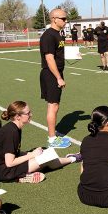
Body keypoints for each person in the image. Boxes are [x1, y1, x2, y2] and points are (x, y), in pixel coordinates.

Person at [0, 101, 82, 184]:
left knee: (45, 155)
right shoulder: (12, 132)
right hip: (5, 172)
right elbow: (9, 162)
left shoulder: (14, 128)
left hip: (4, 169)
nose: (31, 114)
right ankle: (20, 177)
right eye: (28, 113)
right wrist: (32, 155)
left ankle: (72, 158)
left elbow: (13, 152)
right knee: (46, 158)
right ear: (18, 117)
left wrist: (29, 153)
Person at [39, 8, 71, 148]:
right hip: (51, 74)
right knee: (53, 106)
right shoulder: (48, 35)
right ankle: (52, 139)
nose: (66, 21)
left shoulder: (59, 34)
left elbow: (59, 53)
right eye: (63, 19)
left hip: (56, 73)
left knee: (55, 106)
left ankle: (53, 134)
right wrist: (58, 77)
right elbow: (49, 58)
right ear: (54, 19)